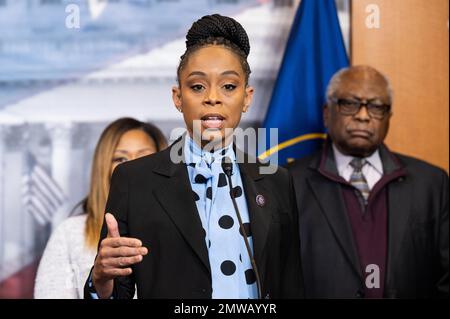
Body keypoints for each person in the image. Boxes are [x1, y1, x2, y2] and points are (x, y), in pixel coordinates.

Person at [84, 14, 303, 299]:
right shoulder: (134, 180)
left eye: (229, 86)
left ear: (247, 98)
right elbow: (117, 292)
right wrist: (101, 278)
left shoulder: (276, 181)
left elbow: (292, 287)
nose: (213, 98)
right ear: (178, 97)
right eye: (198, 86)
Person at [288, 65, 449, 298]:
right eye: (349, 104)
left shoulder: (432, 184)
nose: (363, 116)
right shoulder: (288, 182)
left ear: (388, 118)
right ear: (326, 112)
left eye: (375, 107)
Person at [34, 118, 167, 298]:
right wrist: (99, 282)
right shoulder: (70, 233)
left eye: (144, 157)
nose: (133, 167)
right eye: (120, 158)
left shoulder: (188, 228)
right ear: (103, 167)